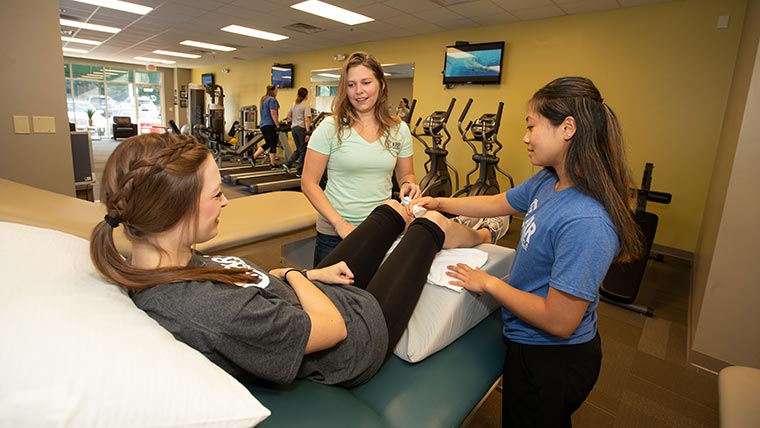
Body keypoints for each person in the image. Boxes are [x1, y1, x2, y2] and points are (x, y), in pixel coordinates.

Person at [89, 133, 493, 388]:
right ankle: (485, 232)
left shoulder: (173, 259)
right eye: (215, 195)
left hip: (315, 293)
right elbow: (332, 328)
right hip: (358, 335)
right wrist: (301, 277)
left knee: (390, 211)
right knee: (428, 228)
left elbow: (252, 280)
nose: (226, 200)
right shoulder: (204, 309)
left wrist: (309, 275)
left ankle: (446, 225)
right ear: (176, 211)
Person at [410, 76, 643, 427]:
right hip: (526, 338)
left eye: (531, 126)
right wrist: (440, 201)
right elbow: (497, 201)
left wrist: (488, 283)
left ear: (567, 128)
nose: (525, 137)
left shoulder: (587, 220)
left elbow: (560, 320)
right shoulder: (549, 180)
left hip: (554, 358)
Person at [301, 52, 422, 267]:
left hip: (381, 229)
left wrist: (408, 184)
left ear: (381, 85)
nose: (359, 91)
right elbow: (309, 183)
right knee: (326, 298)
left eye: (366, 82)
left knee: (371, 297)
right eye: (351, 85)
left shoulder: (399, 129)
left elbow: (406, 174)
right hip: (334, 233)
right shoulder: (330, 128)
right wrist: (340, 224)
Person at [252, 84, 280, 168]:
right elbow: (273, 113)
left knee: (268, 143)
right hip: (270, 125)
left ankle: (253, 156)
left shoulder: (264, 99)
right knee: (273, 144)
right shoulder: (272, 99)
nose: (277, 91)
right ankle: (272, 164)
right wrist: (278, 125)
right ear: (273, 90)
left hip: (263, 125)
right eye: (276, 90)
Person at [287, 87, 311, 177]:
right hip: (301, 129)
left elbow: (288, 115)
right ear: (306, 95)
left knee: (299, 149)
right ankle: (300, 172)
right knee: (303, 151)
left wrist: (294, 121)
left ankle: (288, 163)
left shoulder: (294, 104)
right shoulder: (305, 105)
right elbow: (307, 119)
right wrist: (308, 133)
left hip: (294, 128)